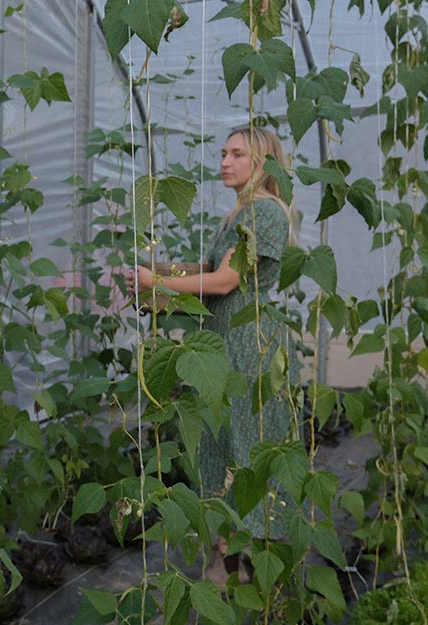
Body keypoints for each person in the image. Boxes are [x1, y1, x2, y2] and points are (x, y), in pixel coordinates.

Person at [128, 126, 300, 586]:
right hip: (224, 345)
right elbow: (208, 271)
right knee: (219, 446)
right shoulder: (233, 216)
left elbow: (225, 281)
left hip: (252, 349)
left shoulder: (266, 214)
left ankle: (264, 565)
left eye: (237, 154)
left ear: (262, 162)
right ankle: (227, 558)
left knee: (248, 449)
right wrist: (162, 272)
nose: (225, 161)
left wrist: (157, 283)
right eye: (223, 152)